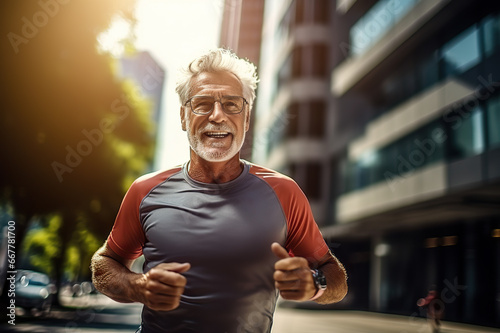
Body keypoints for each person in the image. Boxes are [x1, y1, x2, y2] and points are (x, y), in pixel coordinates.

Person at [91, 48, 348, 333]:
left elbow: (334, 275)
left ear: (247, 118)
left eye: (232, 104)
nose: (217, 115)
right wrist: (136, 286)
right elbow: (104, 263)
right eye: (202, 103)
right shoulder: (145, 190)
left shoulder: (284, 192)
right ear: (183, 117)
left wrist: (315, 284)